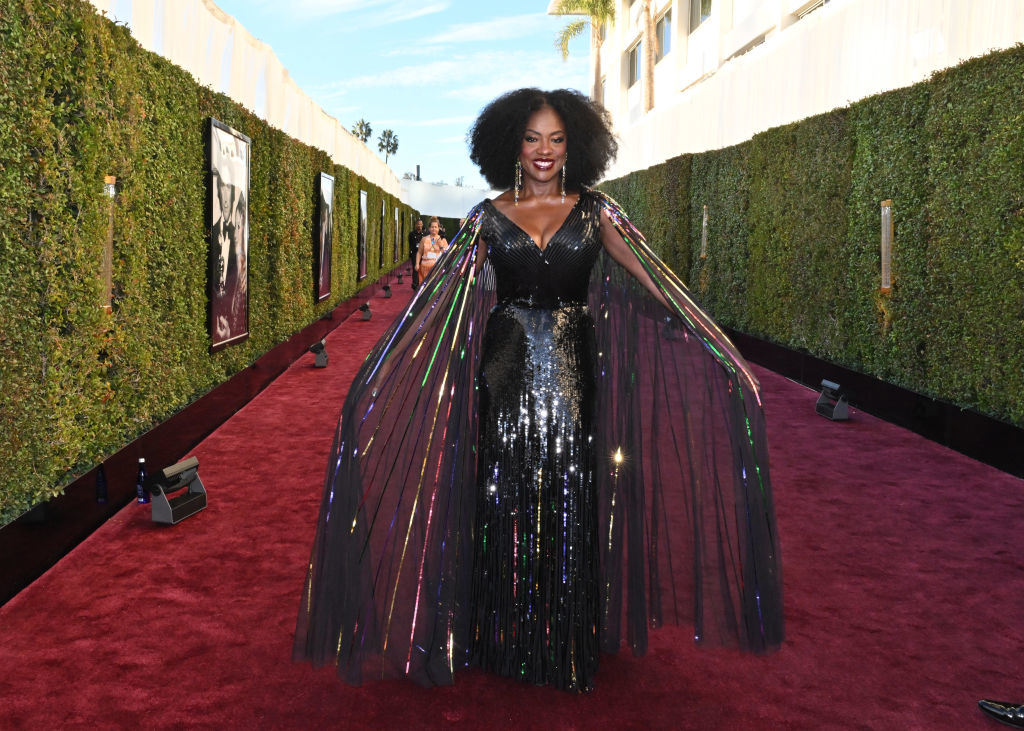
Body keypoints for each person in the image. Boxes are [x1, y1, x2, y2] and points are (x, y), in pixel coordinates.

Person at [294, 88, 783, 692]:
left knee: (571, 485)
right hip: (505, 372)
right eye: (532, 138)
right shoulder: (486, 217)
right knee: (503, 489)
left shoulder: (597, 212)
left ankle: (564, 639)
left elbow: (655, 281)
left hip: (575, 371)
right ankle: (505, 637)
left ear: (574, 145)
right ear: (511, 146)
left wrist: (716, 342)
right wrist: (377, 371)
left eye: (556, 139)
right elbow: (436, 297)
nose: (544, 151)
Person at [415, 216, 448, 284]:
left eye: (435, 227)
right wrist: (417, 264)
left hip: (437, 269)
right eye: (432, 227)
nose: (434, 229)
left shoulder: (443, 240)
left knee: (434, 289)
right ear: (429, 228)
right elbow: (419, 253)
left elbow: (446, 254)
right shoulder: (424, 239)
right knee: (424, 288)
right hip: (424, 268)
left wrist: (441, 246)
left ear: (439, 228)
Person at [407, 218, 424, 289]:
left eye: (420, 224)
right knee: (415, 268)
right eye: (418, 224)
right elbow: (410, 244)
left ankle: (421, 282)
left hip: (423, 254)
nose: (419, 226)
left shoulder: (424, 234)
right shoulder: (411, 234)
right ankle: (415, 284)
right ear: (415, 225)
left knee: (422, 268)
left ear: (422, 225)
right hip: (415, 253)